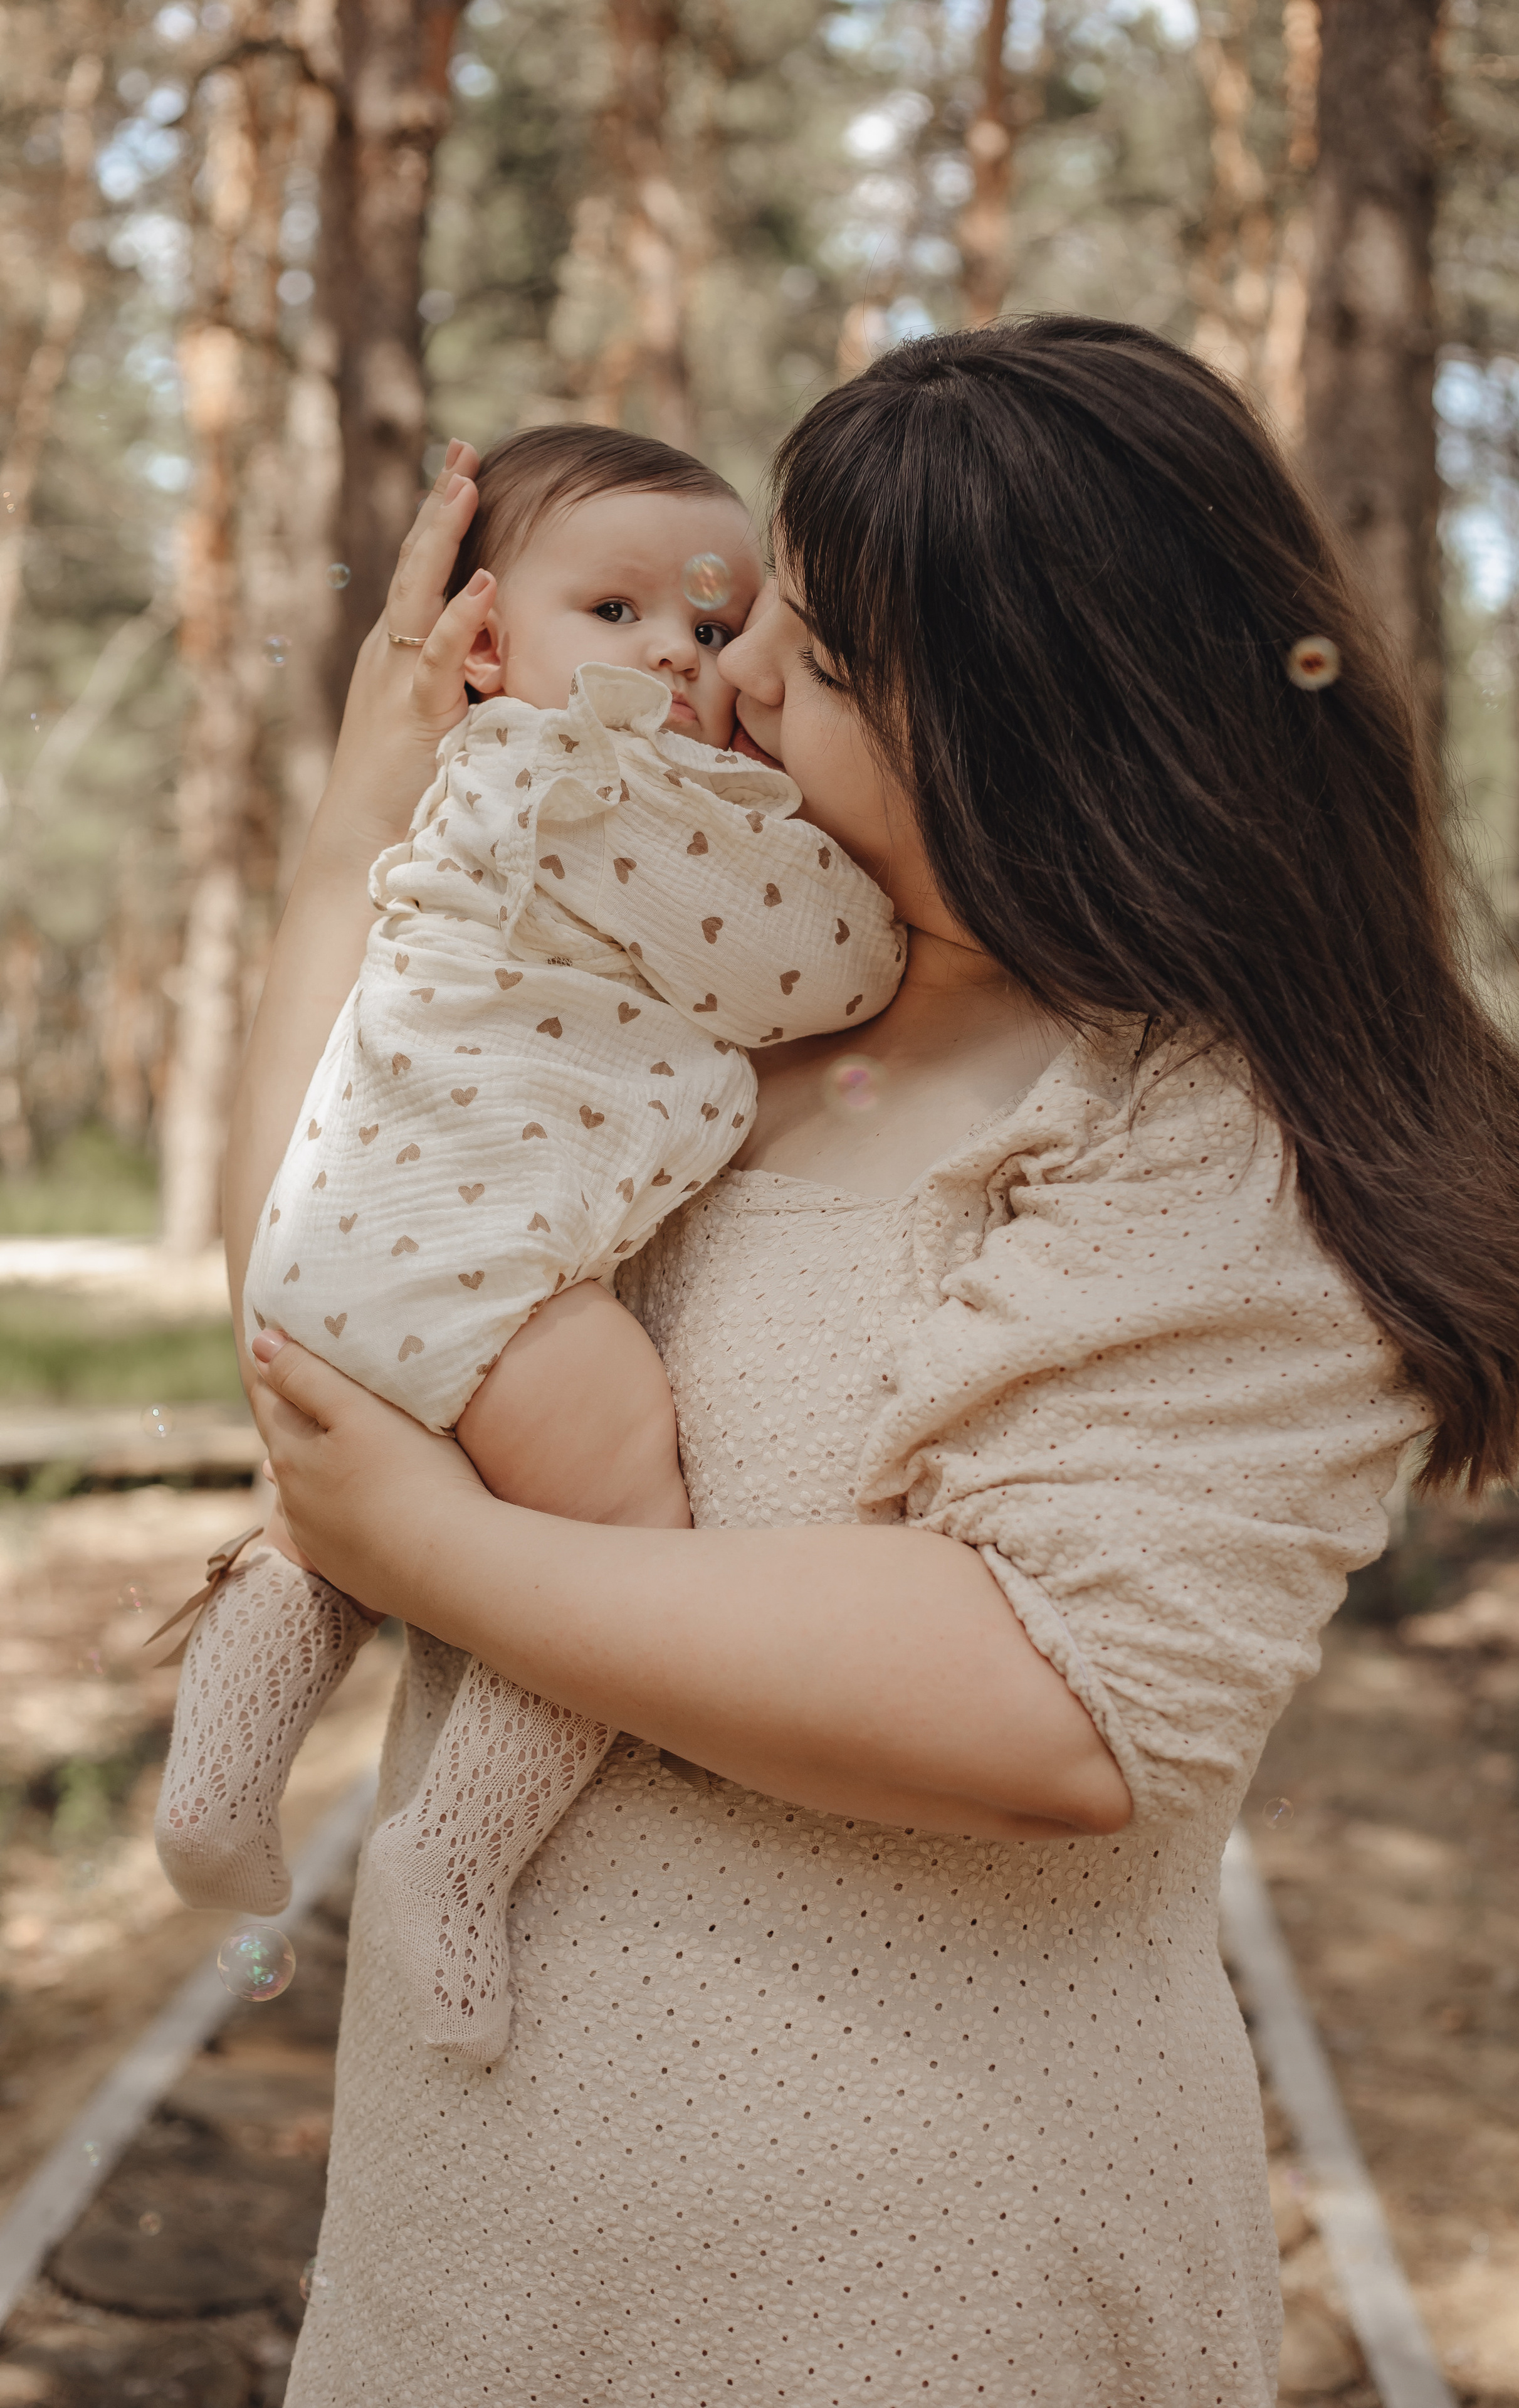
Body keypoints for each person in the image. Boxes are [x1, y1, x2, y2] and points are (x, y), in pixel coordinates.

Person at [241, 319, 1519, 2404]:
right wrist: (364, 824)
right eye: (767, 594)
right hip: (471, 2242)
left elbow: (1052, 1702)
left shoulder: (1213, 1135)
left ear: (1036, 731)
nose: (741, 671)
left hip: (913, 2287)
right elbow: (337, 1260)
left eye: (830, 656)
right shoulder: (737, 994)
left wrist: (432, 1551)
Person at [152, 425, 903, 2068]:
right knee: (621, 1522)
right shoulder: (594, 786)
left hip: (343, 1232)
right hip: (470, 1252)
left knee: (325, 1536)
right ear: (485, 645)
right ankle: (461, 1847)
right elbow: (819, 969)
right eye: (616, 611)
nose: (673, 660)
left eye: (713, 629)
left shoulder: (480, 787)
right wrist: (871, 905)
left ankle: (214, 1792)